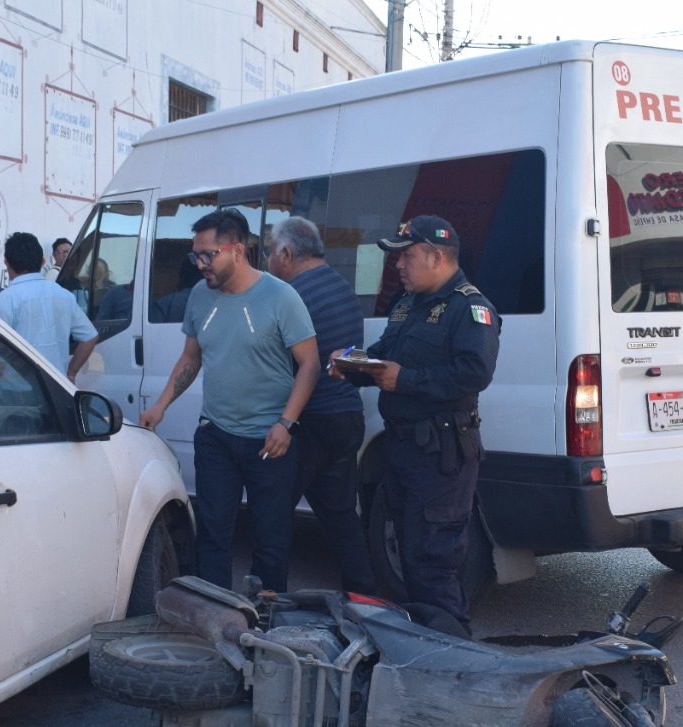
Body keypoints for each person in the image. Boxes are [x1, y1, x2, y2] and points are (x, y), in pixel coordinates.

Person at [331, 215, 499, 632]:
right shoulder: (406, 305)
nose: (398, 266)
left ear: (437, 256)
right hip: (403, 451)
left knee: (432, 565)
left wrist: (404, 380)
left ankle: (453, 657)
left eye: (406, 256)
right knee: (406, 559)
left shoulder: (470, 307)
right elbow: (381, 355)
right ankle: (423, 652)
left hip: (442, 454)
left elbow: (473, 373)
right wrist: (349, 363)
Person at [139, 208, 319, 593]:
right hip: (216, 436)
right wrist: (160, 406)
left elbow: (310, 365)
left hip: (269, 442)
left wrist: (286, 424)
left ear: (237, 250)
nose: (200, 264)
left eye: (208, 254)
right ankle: (215, 615)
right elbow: (191, 358)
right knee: (213, 535)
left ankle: (266, 623)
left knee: (270, 539)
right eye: (195, 255)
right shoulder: (200, 298)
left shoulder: (281, 297)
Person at [266, 216, 375, 594]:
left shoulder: (291, 295)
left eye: (269, 252)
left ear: (286, 252)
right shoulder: (342, 287)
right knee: (340, 513)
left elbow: (283, 364)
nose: (268, 260)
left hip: (309, 420)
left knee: (273, 511)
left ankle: (269, 598)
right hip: (345, 416)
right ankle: (363, 595)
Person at [0, 232, 99, 383]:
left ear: (6, 262)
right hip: (56, 387)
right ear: (42, 262)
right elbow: (90, 337)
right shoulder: (64, 295)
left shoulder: (5, 299)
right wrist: (71, 373)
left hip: (16, 390)